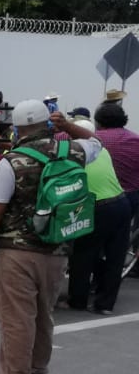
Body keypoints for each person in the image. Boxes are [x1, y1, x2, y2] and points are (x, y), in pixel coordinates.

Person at [0, 99, 101, 374]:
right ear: (48, 125)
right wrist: (68, 127)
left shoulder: (11, 161)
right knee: (43, 313)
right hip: (58, 247)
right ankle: (37, 373)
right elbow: (97, 143)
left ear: (17, 127)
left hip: (17, 250)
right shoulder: (74, 151)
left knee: (16, 316)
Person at [57, 115, 131, 315]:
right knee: (116, 257)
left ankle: (78, 301)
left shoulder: (75, 153)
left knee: (83, 254)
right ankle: (105, 304)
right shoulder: (102, 149)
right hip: (121, 203)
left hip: (98, 207)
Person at [91, 102, 139, 221]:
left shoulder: (92, 139)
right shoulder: (135, 139)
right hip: (131, 197)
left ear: (98, 121)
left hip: (100, 200)